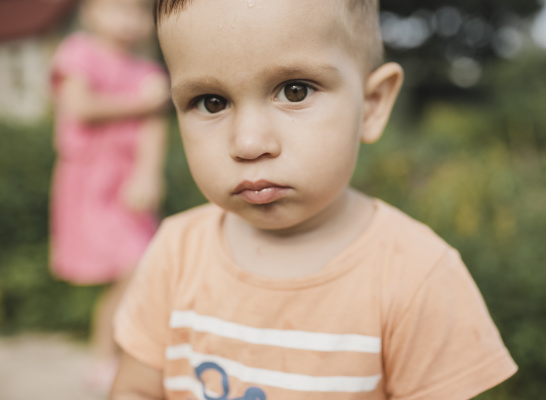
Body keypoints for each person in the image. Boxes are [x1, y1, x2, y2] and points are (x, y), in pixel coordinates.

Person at [110, 0, 518, 399]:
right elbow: (136, 387)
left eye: (295, 91)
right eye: (211, 102)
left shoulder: (417, 275)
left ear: (372, 104)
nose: (249, 142)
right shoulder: (176, 252)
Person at [49, 0, 170, 391]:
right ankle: (107, 356)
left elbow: (155, 128)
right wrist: (143, 101)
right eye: (116, 9)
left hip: (127, 183)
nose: (127, 21)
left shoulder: (149, 72)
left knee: (141, 267)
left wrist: (148, 173)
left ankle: (121, 353)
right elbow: (80, 107)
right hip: (89, 183)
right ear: (90, 12)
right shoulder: (77, 53)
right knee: (130, 266)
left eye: (136, 12)